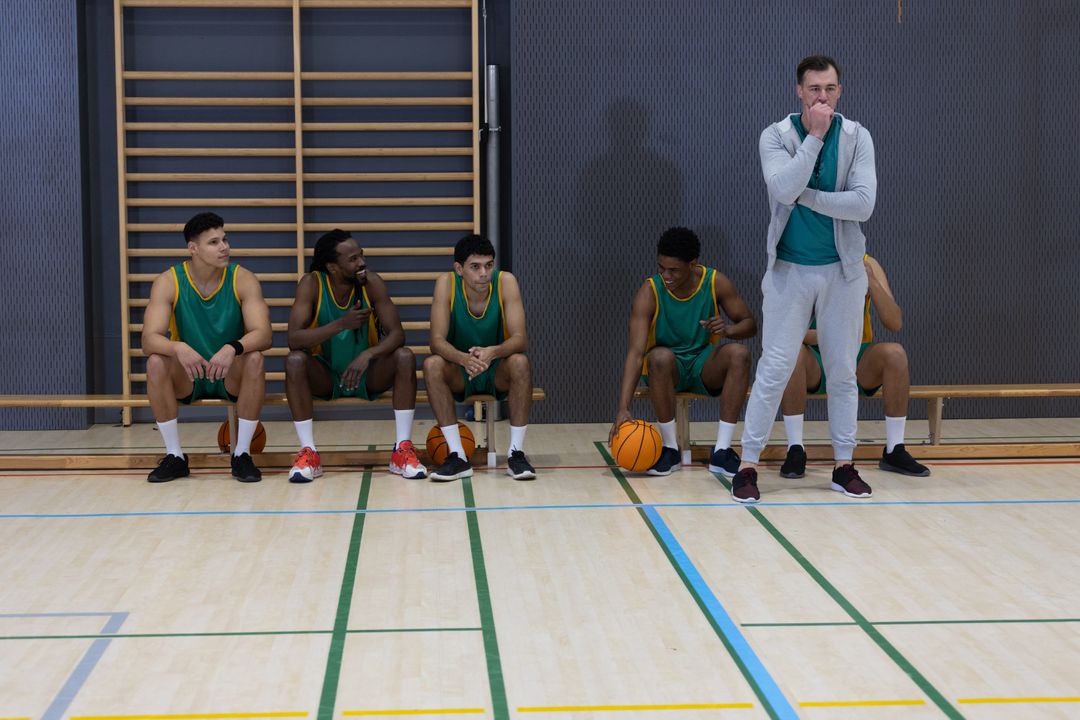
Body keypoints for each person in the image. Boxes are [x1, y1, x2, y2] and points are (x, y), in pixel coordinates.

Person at [734, 55, 877, 503]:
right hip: (790, 271)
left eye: (830, 88)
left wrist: (806, 196)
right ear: (799, 91)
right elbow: (780, 189)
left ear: (841, 90)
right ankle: (748, 465)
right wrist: (814, 137)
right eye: (814, 89)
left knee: (842, 371)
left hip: (843, 272)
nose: (822, 97)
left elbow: (863, 205)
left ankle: (843, 464)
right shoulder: (776, 135)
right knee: (774, 368)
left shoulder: (857, 137)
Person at [283, 230, 426, 483]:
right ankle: (309, 452)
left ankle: (401, 449)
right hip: (325, 376)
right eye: (352, 259)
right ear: (333, 267)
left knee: (404, 356)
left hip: (367, 375)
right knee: (294, 361)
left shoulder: (371, 283)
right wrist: (341, 324)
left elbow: (397, 335)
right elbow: (294, 339)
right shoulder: (312, 284)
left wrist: (368, 354)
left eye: (361, 255)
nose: (361, 262)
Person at [611, 227, 755, 476]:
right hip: (667, 370)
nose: (665, 275)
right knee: (658, 356)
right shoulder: (649, 292)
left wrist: (728, 331)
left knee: (739, 354)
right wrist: (623, 407)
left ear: (692, 264)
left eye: (673, 270)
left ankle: (721, 451)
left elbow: (750, 324)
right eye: (661, 267)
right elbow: (635, 354)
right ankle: (669, 449)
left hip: (702, 363)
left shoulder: (715, 282)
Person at [141, 212, 271, 483]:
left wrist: (233, 347)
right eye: (214, 242)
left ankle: (242, 454)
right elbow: (148, 339)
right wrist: (177, 348)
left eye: (225, 239)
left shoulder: (242, 278)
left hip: (229, 374)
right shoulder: (168, 281)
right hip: (188, 375)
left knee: (255, 358)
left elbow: (264, 334)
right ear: (193, 248)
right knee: (155, 361)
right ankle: (175, 456)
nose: (224, 247)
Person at [778, 255, 930, 478]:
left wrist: (872, 281)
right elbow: (789, 332)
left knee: (894, 354)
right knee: (794, 353)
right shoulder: (805, 259)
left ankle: (894, 449)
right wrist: (835, 336)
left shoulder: (867, 262)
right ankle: (795, 449)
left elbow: (894, 322)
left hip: (854, 354)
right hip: (815, 357)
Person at [423, 234, 535, 482]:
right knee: (431, 365)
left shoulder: (506, 282)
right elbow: (436, 341)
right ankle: (458, 456)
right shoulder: (446, 283)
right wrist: (464, 359)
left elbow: (520, 339)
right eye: (475, 267)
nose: (484, 273)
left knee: (520, 361)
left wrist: (491, 352)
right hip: (460, 370)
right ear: (459, 269)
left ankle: (516, 454)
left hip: (496, 370)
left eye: (488, 265)